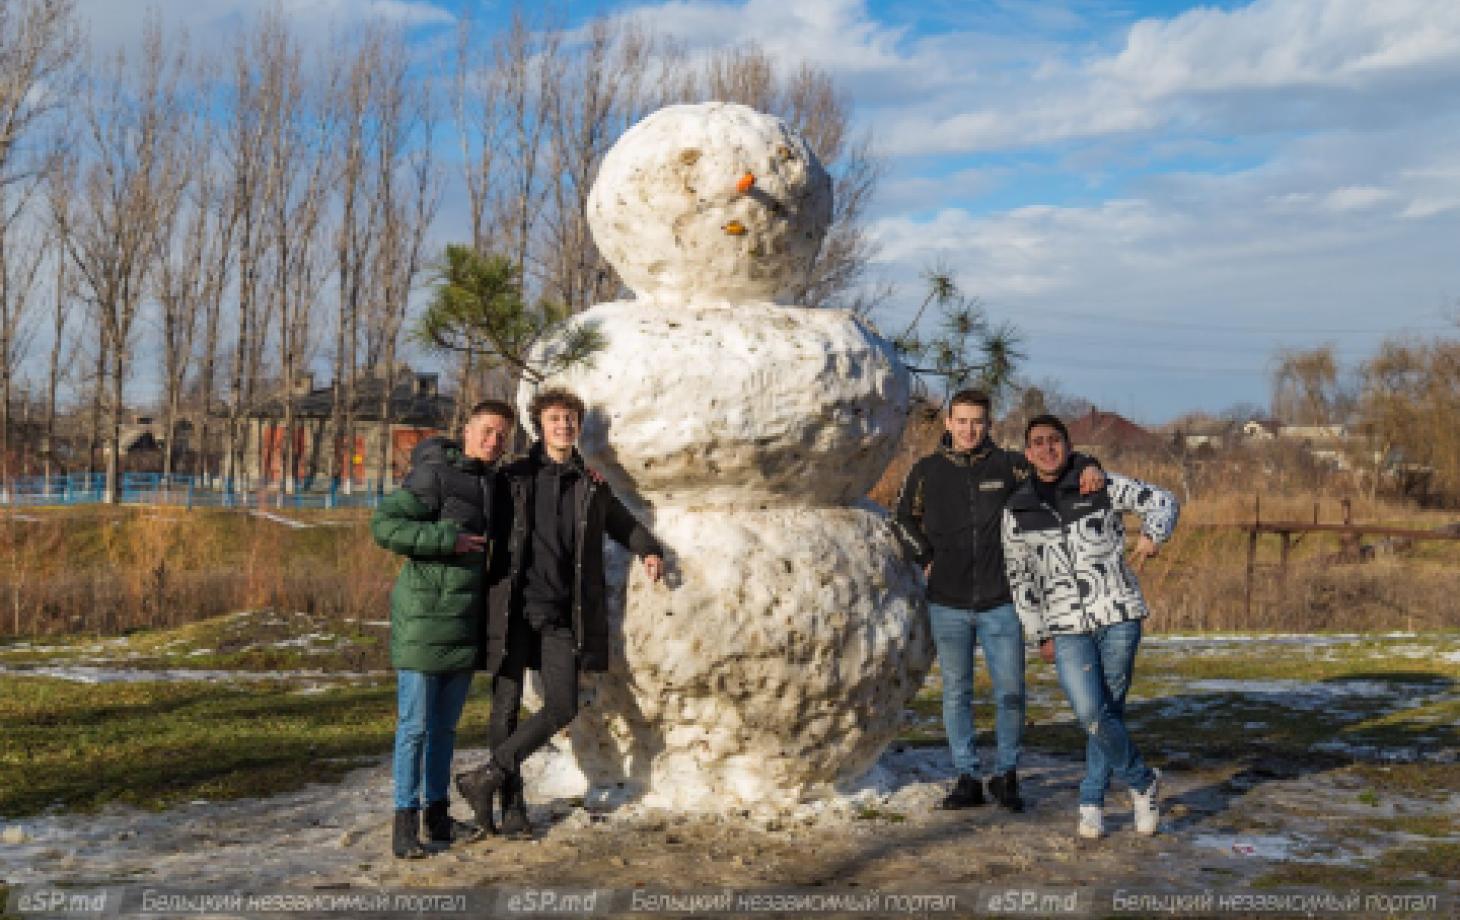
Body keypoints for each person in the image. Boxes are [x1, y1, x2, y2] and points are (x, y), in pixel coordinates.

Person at [456, 387, 664, 838]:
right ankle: (511, 808)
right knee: (504, 708)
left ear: (577, 426)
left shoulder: (590, 484)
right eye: (555, 419)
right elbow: (470, 498)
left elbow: (623, 524)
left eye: (570, 419)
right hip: (512, 608)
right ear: (540, 425)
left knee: (562, 704)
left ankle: (485, 777)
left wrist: (648, 549)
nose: (563, 426)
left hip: (562, 614)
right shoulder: (514, 477)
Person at [893, 389, 1103, 813]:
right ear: (948, 423)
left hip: (1002, 601)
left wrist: (1090, 464)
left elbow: (1055, 465)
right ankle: (967, 777)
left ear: (989, 425)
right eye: (962, 421)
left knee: (1010, 691)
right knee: (957, 692)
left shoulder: (1009, 466)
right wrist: (926, 557)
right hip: (947, 601)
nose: (970, 429)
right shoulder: (926, 470)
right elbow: (901, 519)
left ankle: (1006, 775)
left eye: (978, 422)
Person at [1001, 413, 1179, 839]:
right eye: (1038, 442)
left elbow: (1163, 501)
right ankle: (1142, 782)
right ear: (1028, 453)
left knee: (1108, 712)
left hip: (1117, 614)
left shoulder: (1096, 484)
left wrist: (1152, 535)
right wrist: (1038, 632)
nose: (1047, 448)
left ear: (1067, 445)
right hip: (1065, 625)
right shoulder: (1017, 509)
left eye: (1055, 441)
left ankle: (1091, 802)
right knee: (1089, 713)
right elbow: (1019, 577)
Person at [370, 400, 516, 859]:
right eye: (487, 432)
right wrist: (444, 540)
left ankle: (437, 816)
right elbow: (384, 524)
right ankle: (403, 825)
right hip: (424, 619)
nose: (493, 442)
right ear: (467, 430)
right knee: (414, 727)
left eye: (502, 436)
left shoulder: (494, 484)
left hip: (464, 621)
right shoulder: (435, 475)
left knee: (445, 730)